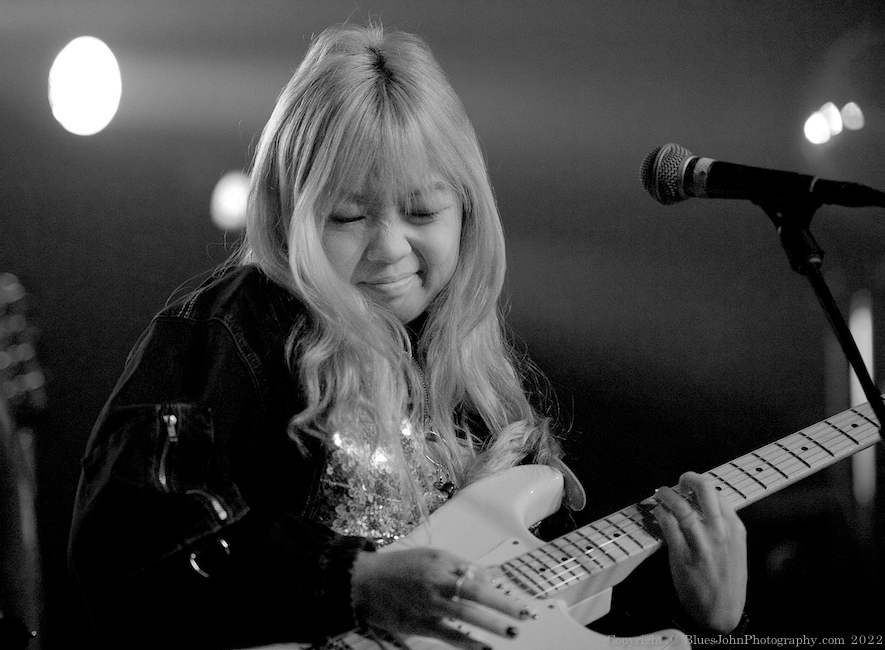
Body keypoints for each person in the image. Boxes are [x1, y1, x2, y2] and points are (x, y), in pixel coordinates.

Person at [68, 23, 747, 649]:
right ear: (290, 213)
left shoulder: (483, 398)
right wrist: (353, 582)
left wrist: (709, 619)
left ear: (467, 211)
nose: (389, 247)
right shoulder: (231, 329)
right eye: (348, 215)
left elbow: (549, 628)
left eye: (422, 209)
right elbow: (126, 546)